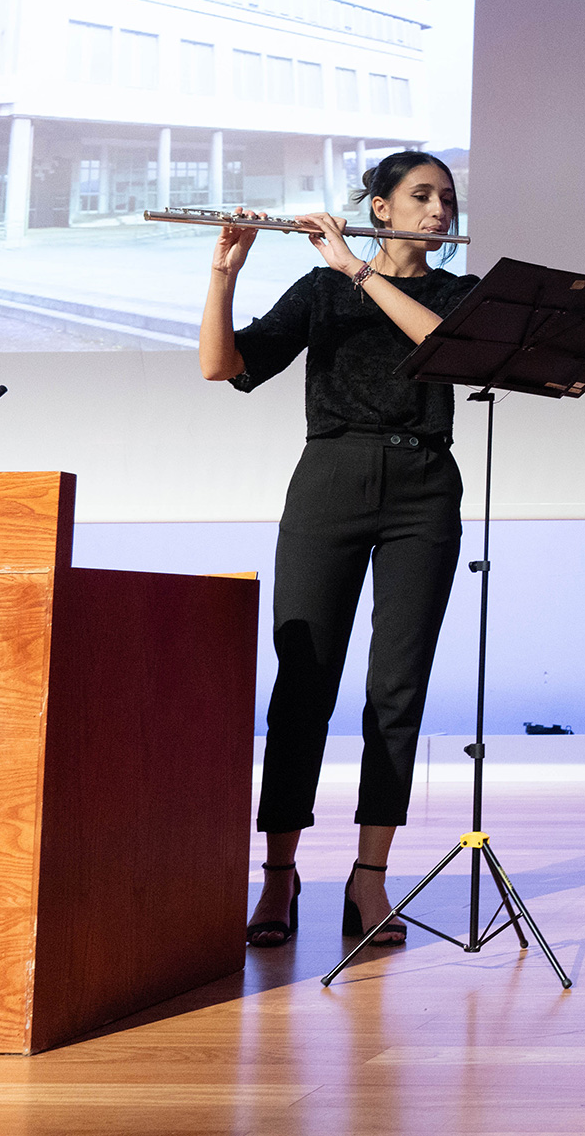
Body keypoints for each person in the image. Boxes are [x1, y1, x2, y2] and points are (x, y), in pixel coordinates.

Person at [201, 152, 476, 950]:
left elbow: (445, 347)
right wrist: (224, 273)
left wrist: (358, 267)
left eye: (446, 199)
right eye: (421, 196)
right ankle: (278, 874)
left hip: (425, 485)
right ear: (380, 206)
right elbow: (222, 366)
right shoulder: (321, 291)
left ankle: (369, 877)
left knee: (398, 687)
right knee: (304, 680)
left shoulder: (455, 294)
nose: (439, 210)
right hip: (331, 477)